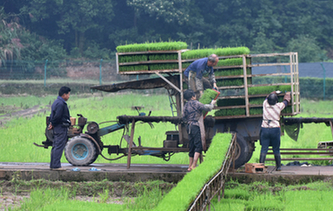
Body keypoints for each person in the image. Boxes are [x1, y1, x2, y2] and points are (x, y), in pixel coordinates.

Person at [183, 89, 216, 171]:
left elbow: (184, 116)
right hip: (195, 126)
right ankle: (194, 165)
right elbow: (207, 108)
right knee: (198, 146)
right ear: (193, 97)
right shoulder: (196, 103)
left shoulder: (185, 105)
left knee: (191, 146)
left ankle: (189, 166)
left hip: (188, 126)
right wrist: (212, 103)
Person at [259, 91, 291, 171]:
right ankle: (278, 167)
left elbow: (267, 96)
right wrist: (287, 94)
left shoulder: (265, 104)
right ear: (276, 101)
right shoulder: (279, 106)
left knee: (264, 148)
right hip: (275, 129)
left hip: (265, 128)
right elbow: (286, 102)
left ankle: (260, 167)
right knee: (276, 149)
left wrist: (276, 92)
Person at [48, 86, 71, 171]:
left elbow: (52, 115)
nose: (69, 96)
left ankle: (53, 165)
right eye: (68, 94)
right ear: (64, 94)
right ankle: (56, 166)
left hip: (57, 127)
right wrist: (53, 123)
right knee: (59, 146)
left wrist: (51, 123)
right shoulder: (61, 104)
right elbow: (57, 116)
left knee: (55, 146)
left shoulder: (56, 102)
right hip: (60, 127)